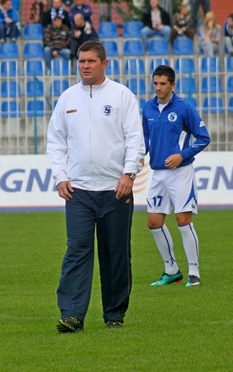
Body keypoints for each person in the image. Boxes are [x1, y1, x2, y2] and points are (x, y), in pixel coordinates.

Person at [46, 40, 144, 333]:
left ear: (104, 64)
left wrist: (129, 174)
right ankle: (72, 314)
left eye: (91, 61)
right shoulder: (67, 99)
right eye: (81, 61)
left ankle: (114, 314)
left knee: (115, 253)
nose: (85, 66)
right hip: (78, 192)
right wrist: (60, 177)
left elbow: (135, 140)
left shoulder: (122, 96)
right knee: (77, 249)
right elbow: (55, 141)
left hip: (116, 190)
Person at [143, 65, 211, 288]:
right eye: (155, 83)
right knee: (154, 223)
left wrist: (181, 156)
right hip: (157, 173)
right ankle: (171, 269)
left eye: (163, 84)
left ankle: (194, 272)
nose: (158, 88)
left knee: (183, 220)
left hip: (180, 173)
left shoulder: (184, 108)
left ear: (173, 85)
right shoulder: (148, 109)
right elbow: (144, 140)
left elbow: (203, 138)